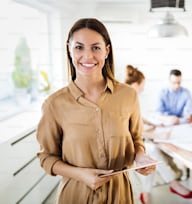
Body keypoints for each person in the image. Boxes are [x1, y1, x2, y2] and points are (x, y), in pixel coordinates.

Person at [36, 18, 156, 204]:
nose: (87, 56)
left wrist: (141, 158)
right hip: (75, 195)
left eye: (96, 48)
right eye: (79, 47)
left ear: (107, 51)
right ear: (69, 48)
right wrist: (81, 174)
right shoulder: (54, 104)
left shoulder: (128, 96)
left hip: (120, 195)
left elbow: (136, 140)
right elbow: (46, 158)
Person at [124, 65, 192, 204]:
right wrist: (155, 135)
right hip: (124, 144)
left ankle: (146, 194)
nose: (143, 89)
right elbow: (128, 130)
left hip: (138, 138)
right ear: (135, 84)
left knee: (150, 153)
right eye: (142, 85)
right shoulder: (125, 98)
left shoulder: (129, 97)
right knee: (152, 151)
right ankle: (173, 183)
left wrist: (155, 125)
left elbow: (137, 118)